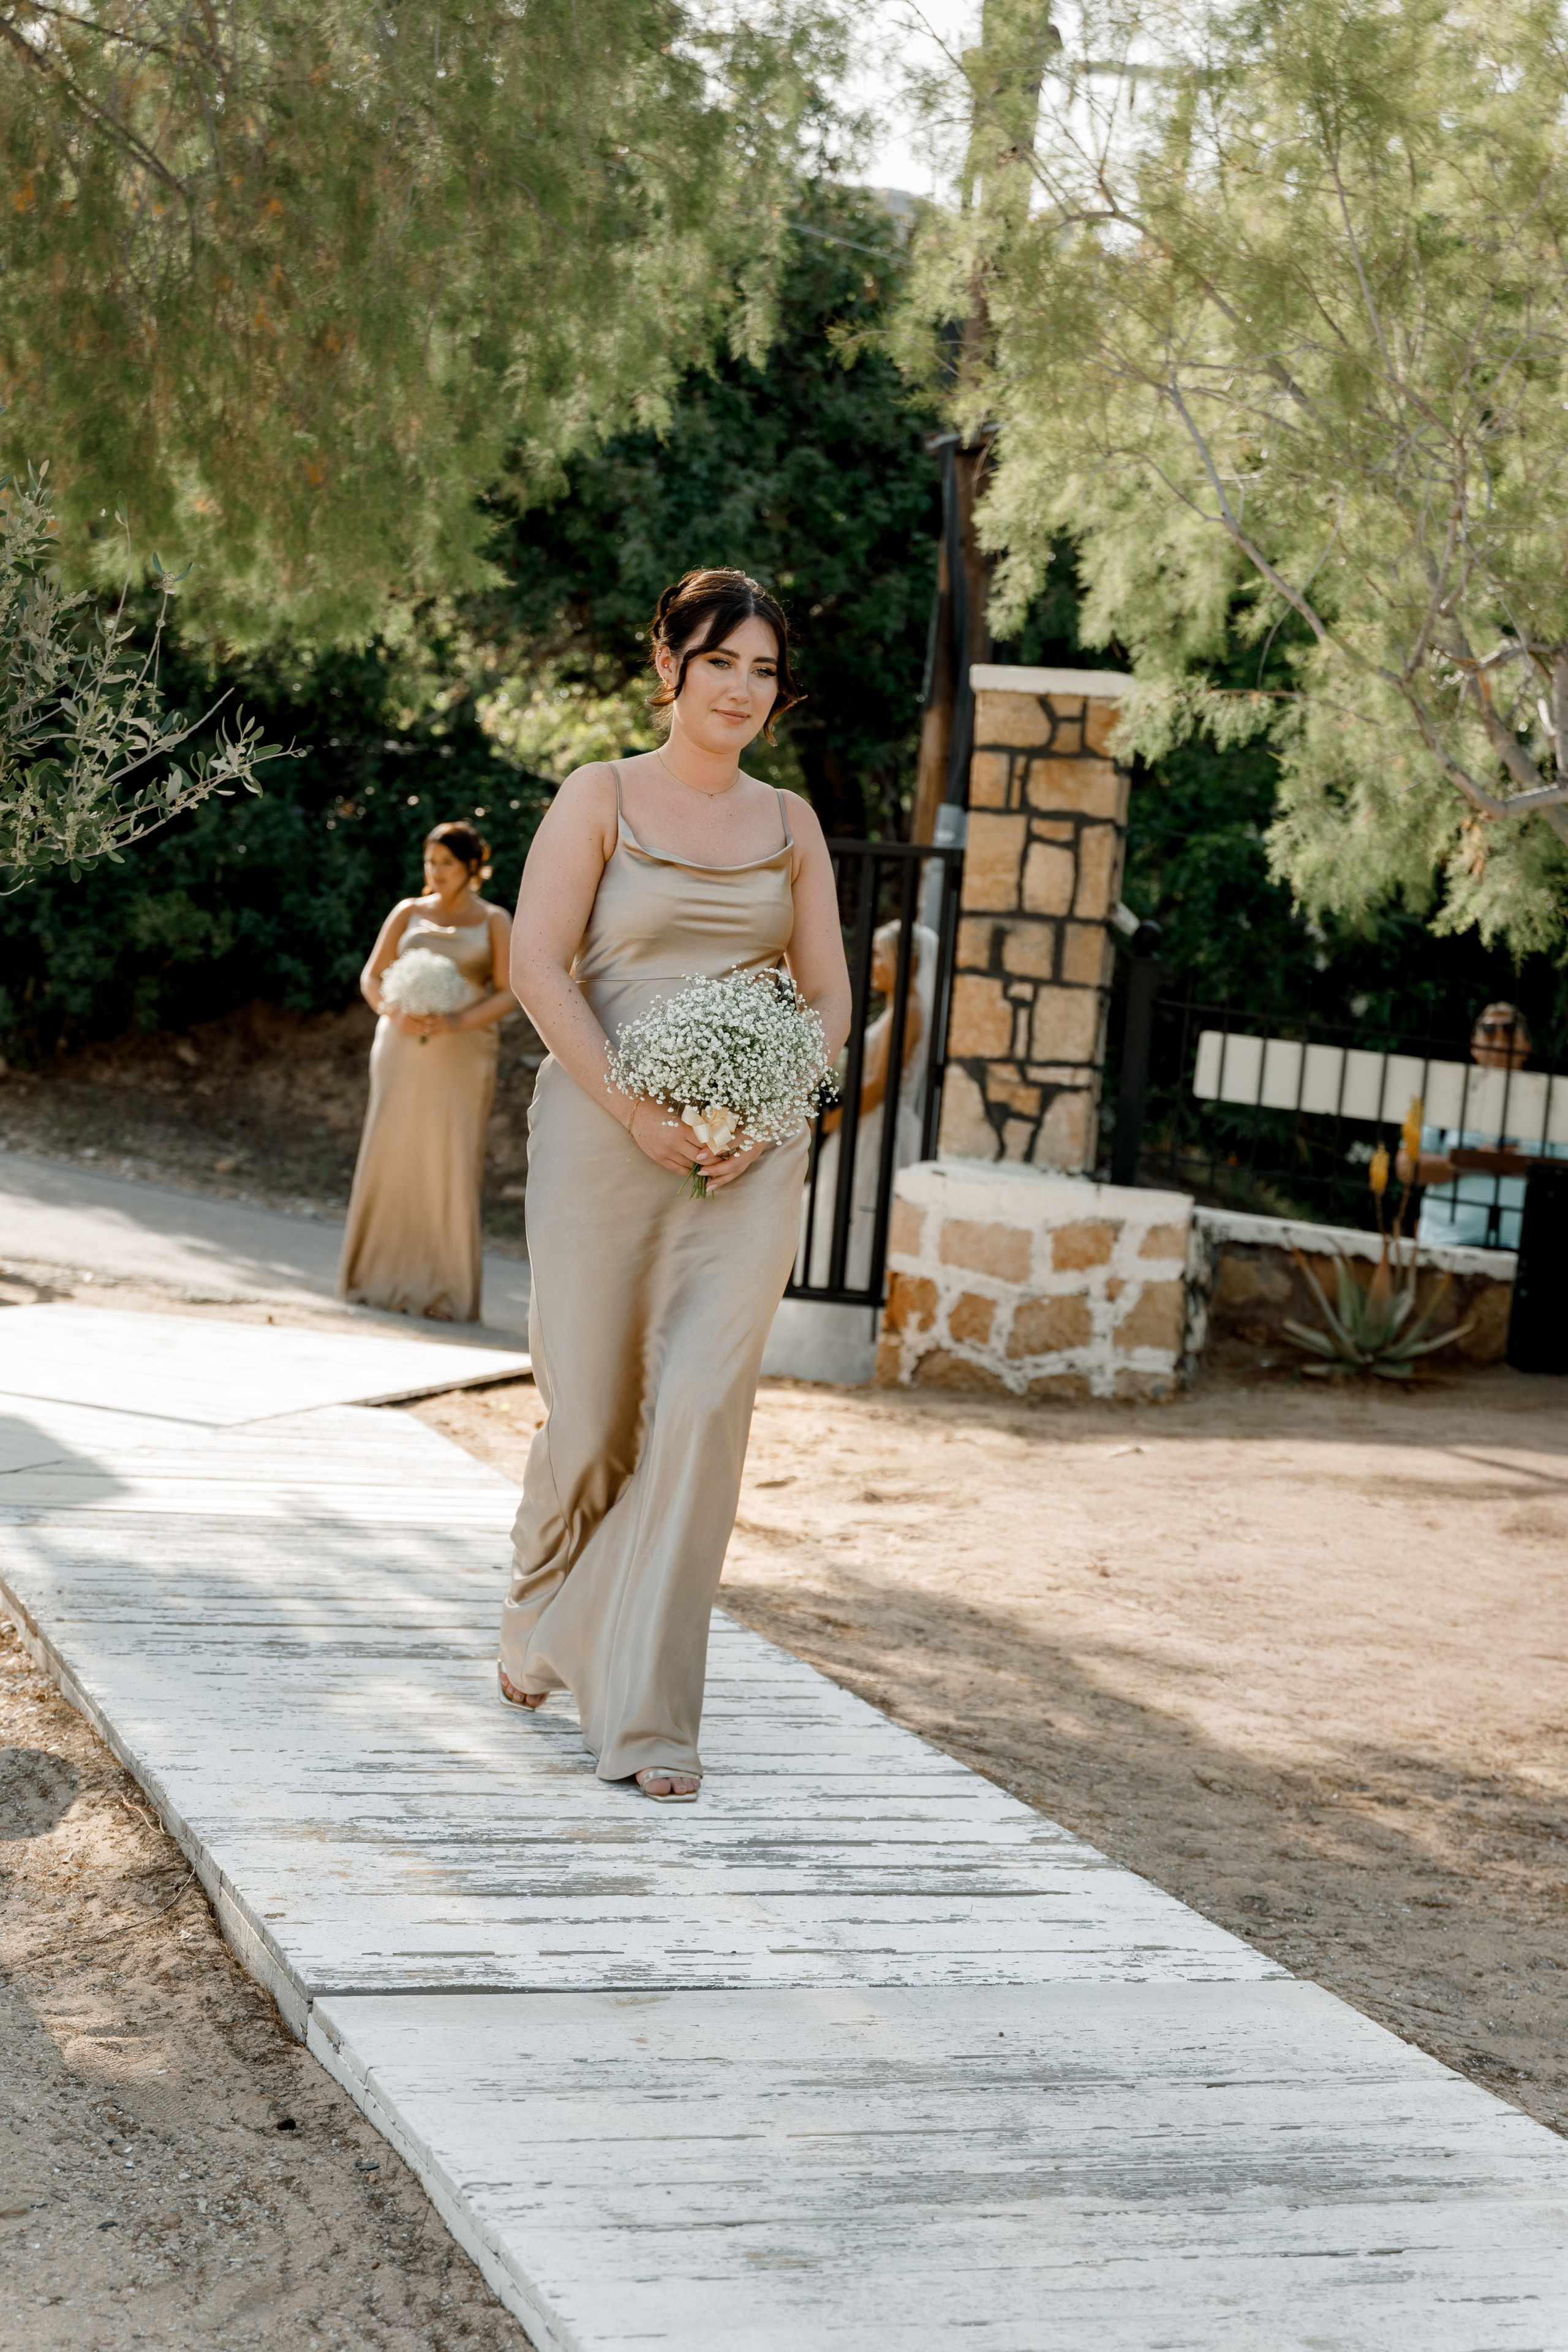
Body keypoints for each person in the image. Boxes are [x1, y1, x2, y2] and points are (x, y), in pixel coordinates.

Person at [498, 569, 851, 1802]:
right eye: (720, 665)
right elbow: (535, 965)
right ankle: (540, 1607)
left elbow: (827, 994)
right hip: (606, 1141)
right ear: (669, 667)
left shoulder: (792, 825)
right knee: (593, 1417)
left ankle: (648, 1718)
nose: (742, 692)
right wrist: (637, 1113)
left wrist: (771, 1108)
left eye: (763, 671)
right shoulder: (599, 797)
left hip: (747, 1155)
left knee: (700, 1404)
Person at [339, 821, 516, 1322]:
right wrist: (392, 1011)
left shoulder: (495, 920)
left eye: (446, 864)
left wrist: (455, 1020)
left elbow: (509, 990)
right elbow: (372, 976)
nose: (434, 872)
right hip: (400, 1045)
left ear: (472, 868)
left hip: (461, 1053)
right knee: (390, 1151)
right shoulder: (407, 912)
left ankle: (444, 1292)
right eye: (429, 862)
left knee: (450, 1158)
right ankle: (374, 1280)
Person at [804, 917, 938, 1291]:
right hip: (868, 1126)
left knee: (856, 1223)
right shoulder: (901, 1009)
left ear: (905, 961)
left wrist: (827, 1124)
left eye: (880, 954)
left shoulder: (909, 1011)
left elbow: (880, 1087)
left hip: (878, 1133)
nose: (873, 963)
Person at [1399, 1002, 1566, 1250]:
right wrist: (1477, 1160)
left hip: (1527, 1251)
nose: (1499, 1042)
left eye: (1510, 1032)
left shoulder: (1553, 1108)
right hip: (1445, 1243)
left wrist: (1527, 1165)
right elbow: (1407, 1168)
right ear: (1474, 1044)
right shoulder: (1443, 1097)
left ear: (1527, 1047)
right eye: (1488, 1031)